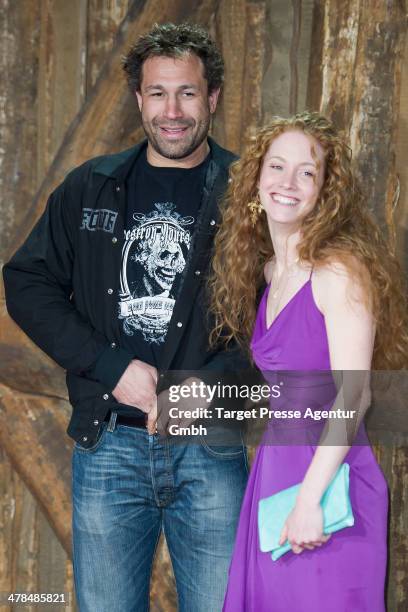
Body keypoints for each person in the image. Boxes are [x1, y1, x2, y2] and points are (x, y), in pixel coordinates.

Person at [3, 23, 249, 612]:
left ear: (212, 97)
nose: (172, 110)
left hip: (211, 445)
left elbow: (283, 312)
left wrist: (201, 390)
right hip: (108, 442)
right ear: (139, 99)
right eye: (157, 93)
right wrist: (112, 366)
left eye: (187, 93)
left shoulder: (249, 193)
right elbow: (26, 280)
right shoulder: (90, 186)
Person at [210, 112, 408, 611]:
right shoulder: (271, 272)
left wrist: (308, 500)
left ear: (325, 191)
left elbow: (354, 394)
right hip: (275, 474)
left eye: (307, 172)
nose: (288, 183)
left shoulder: (338, 271)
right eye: (277, 167)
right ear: (256, 179)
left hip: (327, 483)